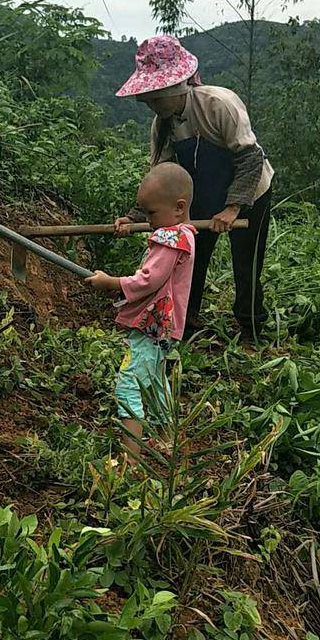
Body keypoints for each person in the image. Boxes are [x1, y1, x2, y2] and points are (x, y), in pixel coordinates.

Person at [114, 35, 273, 340]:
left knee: (246, 262)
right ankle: (186, 323)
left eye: (155, 97)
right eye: (146, 99)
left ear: (178, 86)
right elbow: (160, 178)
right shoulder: (162, 125)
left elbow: (250, 158)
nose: (150, 105)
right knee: (191, 255)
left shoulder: (217, 105)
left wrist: (232, 208)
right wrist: (134, 216)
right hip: (202, 191)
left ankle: (251, 329)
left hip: (250, 191)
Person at [86, 162, 195, 461]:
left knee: (130, 383)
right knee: (156, 382)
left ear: (178, 207)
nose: (147, 221)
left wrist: (113, 282)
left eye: (151, 213)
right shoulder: (186, 235)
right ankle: (166, 442)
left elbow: (150, 279)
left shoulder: (172, 239)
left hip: (153, 327)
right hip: (165, 328)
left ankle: (130, 460)